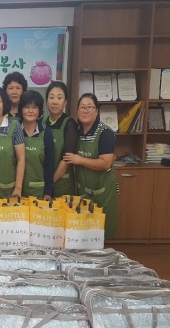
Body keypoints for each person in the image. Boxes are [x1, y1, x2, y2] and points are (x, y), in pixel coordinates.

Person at [63, 93, 118, 238]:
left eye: (89, 107)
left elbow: (106, 163)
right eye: (82, 107)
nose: (85, 111)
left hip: (101, 191)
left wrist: (80, 160)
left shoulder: (104, 133)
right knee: (83, 231)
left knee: (98, 232)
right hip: (83, 189)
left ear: (96, 111)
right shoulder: (78, 131)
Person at [45, 81, 79, 197]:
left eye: (59, 98)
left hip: (61, 183)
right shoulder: (42, 122)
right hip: (43, 183)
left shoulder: (70, 124)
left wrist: (50, 184)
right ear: (46, 101)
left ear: (65, 102)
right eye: (51, 97)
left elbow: (66, 159)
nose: (55, 102)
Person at [19, 90, 55, 199]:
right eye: (26, 107)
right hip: (16, 190)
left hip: (38, 191)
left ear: (39, 110)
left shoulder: (46, 132)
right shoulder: (14, 131)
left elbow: (49, 165)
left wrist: (48, 192)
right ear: (21, 109)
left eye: (34, 107)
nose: (30, 111)